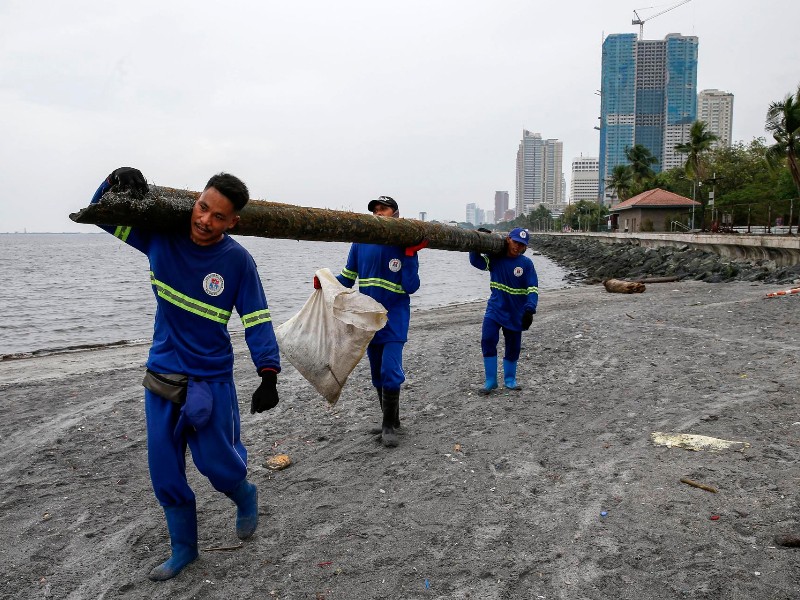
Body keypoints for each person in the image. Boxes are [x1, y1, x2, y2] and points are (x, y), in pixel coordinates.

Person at [90, 167, 281, 581]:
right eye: (202, 207)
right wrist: (112, 182)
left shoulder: (237, 261)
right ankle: (184, 550)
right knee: (164, 470)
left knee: (219, 465)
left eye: (218, 216)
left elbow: (257, 318)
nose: (204, 220)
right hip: (161, 374)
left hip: (210, 378)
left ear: (234, 222)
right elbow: (101, 213)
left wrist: (269, 371)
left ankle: (244, 494)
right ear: (195, 201)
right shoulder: (160, 237)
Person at [322, 195, 425, 447]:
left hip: (395, 317)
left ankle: (389, 427)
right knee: (376, 372)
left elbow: (411, 286)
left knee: (390, 370)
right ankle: (391, 419)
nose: (378, 213)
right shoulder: (361, 241)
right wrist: (323, 283)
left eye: (384, 209)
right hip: (368, 318)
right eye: (375, 210)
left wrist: (410, 255)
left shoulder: (403, 242)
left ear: (396, 213)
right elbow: (347, 278)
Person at [469, 227, 538, 394]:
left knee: (513, 347)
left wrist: (530, 310)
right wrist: (476, 242)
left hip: (516, 312)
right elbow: (476, 262)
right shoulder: (495, 258)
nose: (517, 246)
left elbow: (533, 289)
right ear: (508, 239)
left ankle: (510, 380)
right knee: (487, 339)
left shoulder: (526, 264)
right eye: (515, 242)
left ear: (525, 247)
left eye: (522, 244)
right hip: (495, 309)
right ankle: (490, 381)